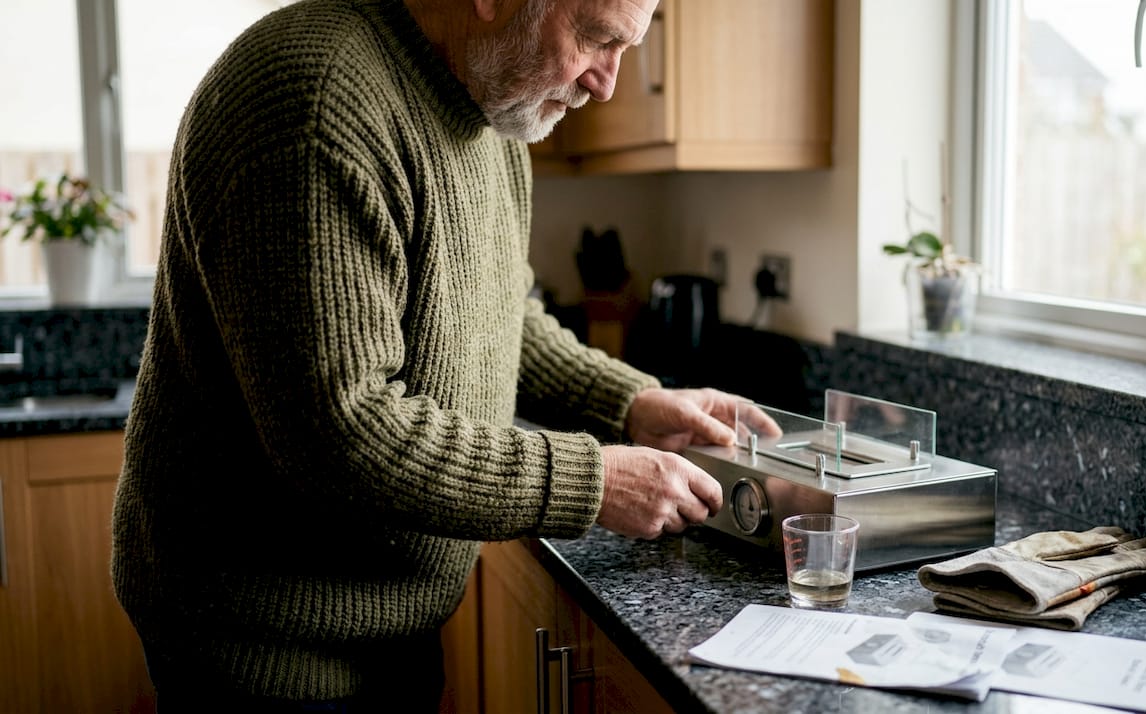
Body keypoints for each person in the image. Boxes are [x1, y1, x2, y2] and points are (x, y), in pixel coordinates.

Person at [110, 0, 754, 710]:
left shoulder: (496, 109)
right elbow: (341, 430)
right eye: (597, 38)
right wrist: (589, 480)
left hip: (387, 622)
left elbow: (499, 315)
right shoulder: (314, 96)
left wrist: (628, 401)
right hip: (263, 647)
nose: (607, 83)